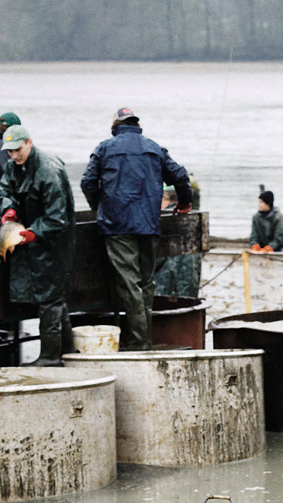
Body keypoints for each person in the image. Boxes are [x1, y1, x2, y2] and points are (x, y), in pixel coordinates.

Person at [81, 107, 193, 351]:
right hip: (148, 224)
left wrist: (98, 207)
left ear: (116, 126)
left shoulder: (104, 148)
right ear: (136, 125)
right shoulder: (154, 148)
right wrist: (184, 202)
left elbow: (87, 182)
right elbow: (181, 176)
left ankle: (141, 342)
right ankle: (144, 338)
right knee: (146, 282)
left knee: (129, 283)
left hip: (117, 226)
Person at [0, 125, 76, 366]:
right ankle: (68, 350)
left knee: (49, 297)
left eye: (17, 149)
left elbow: (57, 217)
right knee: (53, 298)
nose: (13, 155)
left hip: (54, 243)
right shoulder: (13, 167)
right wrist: (8, 209)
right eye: (9, 151)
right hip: (30, 239)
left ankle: (51, 356)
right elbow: (5, 190)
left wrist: (34, 233)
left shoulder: (49, 170)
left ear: (29, 142)